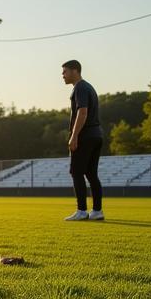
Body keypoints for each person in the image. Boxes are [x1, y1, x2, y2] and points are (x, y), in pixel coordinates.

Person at [63, 60, 104, 221]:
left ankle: (81, 211)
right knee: (91, 173)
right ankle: (97, 211)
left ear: (75, 71)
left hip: (85, 135)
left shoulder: (79, 87)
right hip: (97, 134)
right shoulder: (88, 87)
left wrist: (74, 136)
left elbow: (82, 112)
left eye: (65, 72)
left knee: (76, 172)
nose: (63, 76)